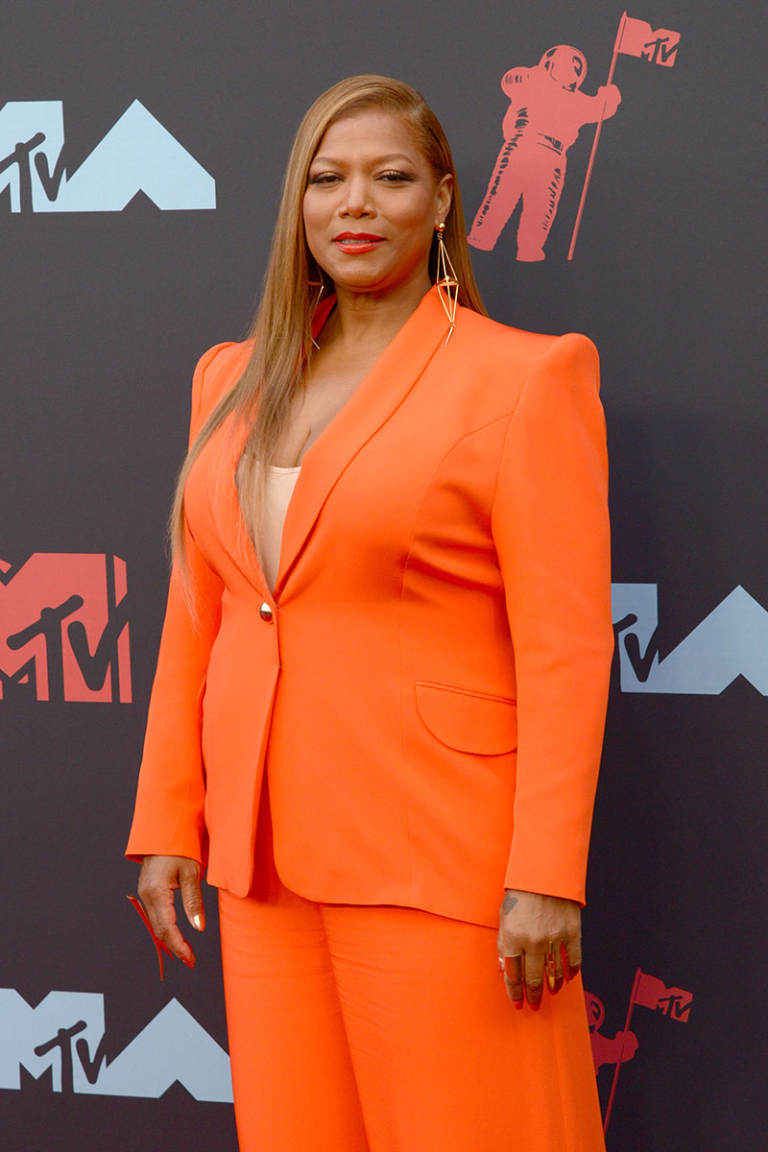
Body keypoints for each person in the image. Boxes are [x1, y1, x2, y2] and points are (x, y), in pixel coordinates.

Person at [126, 74, 614, 1151]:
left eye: (391, 177)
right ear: (296, 206)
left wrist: (546, 875)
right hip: (262, 862)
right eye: (328, 179)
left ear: (442, 201)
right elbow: (197, 618)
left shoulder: (526, 380)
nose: (357, 203)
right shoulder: (230, 380)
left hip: (442, 858)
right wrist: (170, 819)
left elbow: (569, 649)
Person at [468, 46, 621, 260]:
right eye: (569, 63)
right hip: (523, 144)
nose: (573, 69)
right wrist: (536, 74)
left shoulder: (576, 100)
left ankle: (529, 250)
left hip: (554, 156)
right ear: (551, 62)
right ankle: (481, 238)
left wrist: (609, 98)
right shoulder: (532, 81)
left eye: (578, 66)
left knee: (541, 208)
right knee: (502, 196)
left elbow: (599, 109)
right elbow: (509, 81)